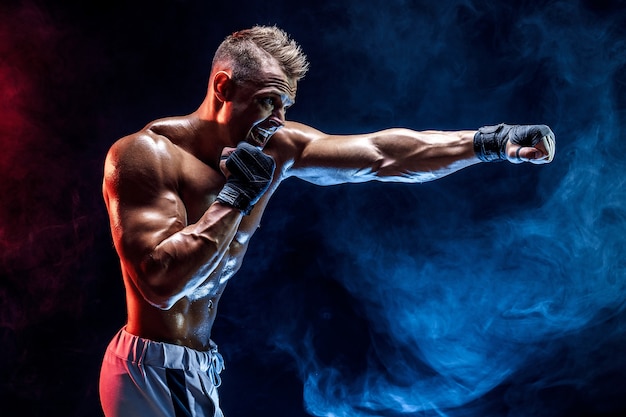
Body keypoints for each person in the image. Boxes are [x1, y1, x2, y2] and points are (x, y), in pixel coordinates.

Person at [99, 25, 556, 417]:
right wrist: (235, 197)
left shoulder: (275, 144)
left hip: (191, 366)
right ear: (223, 87)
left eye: (285, 107)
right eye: (265, 102)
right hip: (155, 370)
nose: (277, 120)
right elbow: (160, 285)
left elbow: (383, 154)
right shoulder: (146, 156)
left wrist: (492, 142)